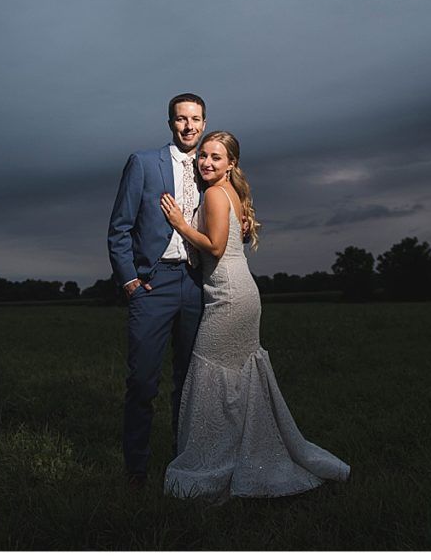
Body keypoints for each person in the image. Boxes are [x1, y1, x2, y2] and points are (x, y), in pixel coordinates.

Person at [160, 131, 350, 500]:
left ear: (231, 164)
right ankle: (244, 453)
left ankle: (216, 461)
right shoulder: (230, 192)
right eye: (203, 156)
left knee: (212, 375)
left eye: (217, 157)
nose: (207, 162)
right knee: (236, 379)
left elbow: (215, 246)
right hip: (239, 291)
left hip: (229, 297)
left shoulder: (215, 193)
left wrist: (181, 225)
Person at [107, 93, 207, 488]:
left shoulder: (209, 166)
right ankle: (136, 471)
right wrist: (131, 280)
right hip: (154, 283)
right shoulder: (144, 163)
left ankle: (184, 466)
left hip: (197, 284)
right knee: (144, 382)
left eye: (196, 118)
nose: (189, 126)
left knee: (191, 383)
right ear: (170, 122)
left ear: (204, 121)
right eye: (181, 118)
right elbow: (119, 228)